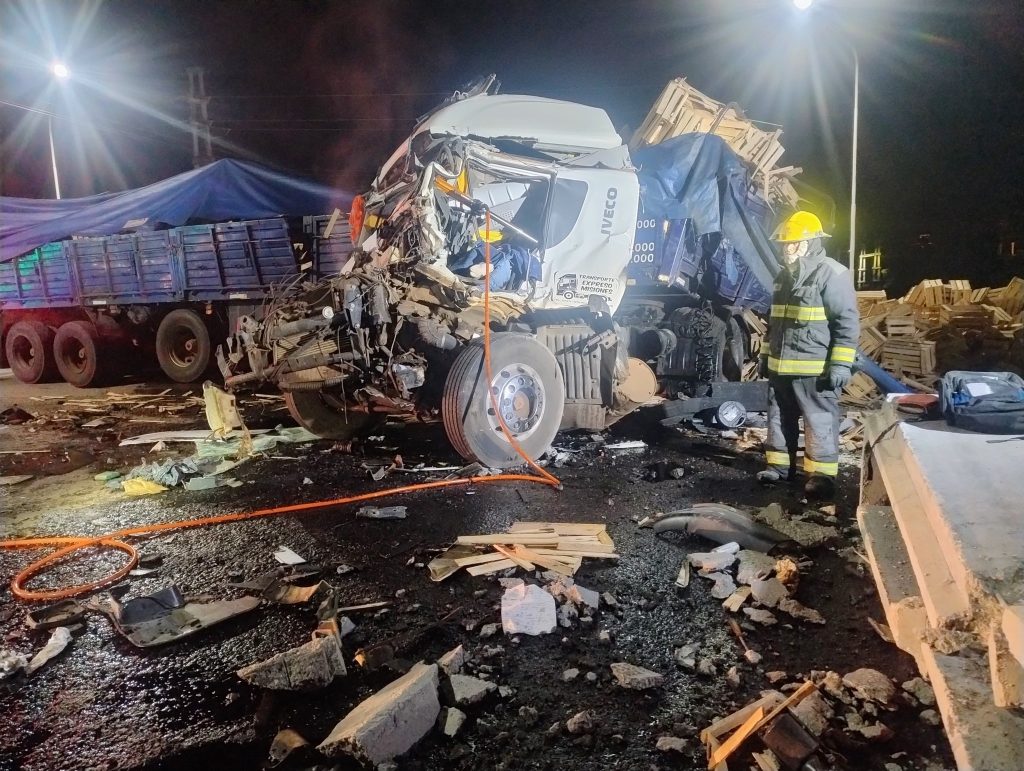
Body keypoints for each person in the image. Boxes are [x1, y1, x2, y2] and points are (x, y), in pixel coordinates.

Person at [757, 211, 859, 500]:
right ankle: (778, 467)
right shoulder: (783, 277)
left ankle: (821, 476)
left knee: (819, 419)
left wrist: (840, 363)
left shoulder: (832, 273)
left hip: (814, 369)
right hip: (781, 367)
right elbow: (774, 323)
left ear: (812, 243)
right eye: (784, 244)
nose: (787, 249)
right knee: (778, 417)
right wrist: (766, 356)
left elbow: (846, 322)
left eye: (793, 244)